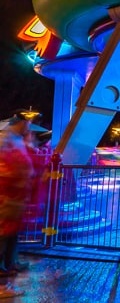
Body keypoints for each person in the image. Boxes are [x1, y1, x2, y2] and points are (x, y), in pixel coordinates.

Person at [0, 113, 34, 297]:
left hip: (14, 198)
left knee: (10, 236)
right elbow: (9, 168)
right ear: (21, 123)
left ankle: (8, 270)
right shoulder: (7, 139)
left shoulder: (14, 138)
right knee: (3, 238)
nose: (29, 127)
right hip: (7, 198)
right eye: (27, 124)